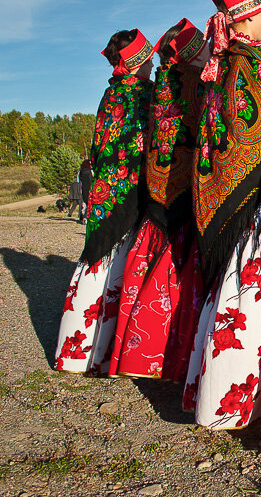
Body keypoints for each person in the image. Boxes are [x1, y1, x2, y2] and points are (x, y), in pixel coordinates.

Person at [183, 0, 261, 429]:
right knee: (249, 290)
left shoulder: (226, 60)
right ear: (250, 15)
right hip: (260, 197)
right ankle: (237, 402)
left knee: (236, 288)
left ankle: (224, 395)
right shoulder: (250, 63)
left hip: (240, 193)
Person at [108, 19, 210, 381]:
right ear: (187, 56)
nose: (208, 52)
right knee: (173, 268)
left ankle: (135, 348)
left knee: (152, 261)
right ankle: (157, 351)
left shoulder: (162, 83)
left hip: (160, 181)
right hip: (181, 186)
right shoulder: (192, 83)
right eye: (201, 49)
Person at [55, 29, 155, 375]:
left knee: (95, 261)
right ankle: (108, 350)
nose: (154, 63)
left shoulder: (110, 94)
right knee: (121, 265)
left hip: (103, 192)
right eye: (149, 58)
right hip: (129, 192)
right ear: (139, 61)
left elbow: (99, 146)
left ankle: (76, 352)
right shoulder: (146, 95)